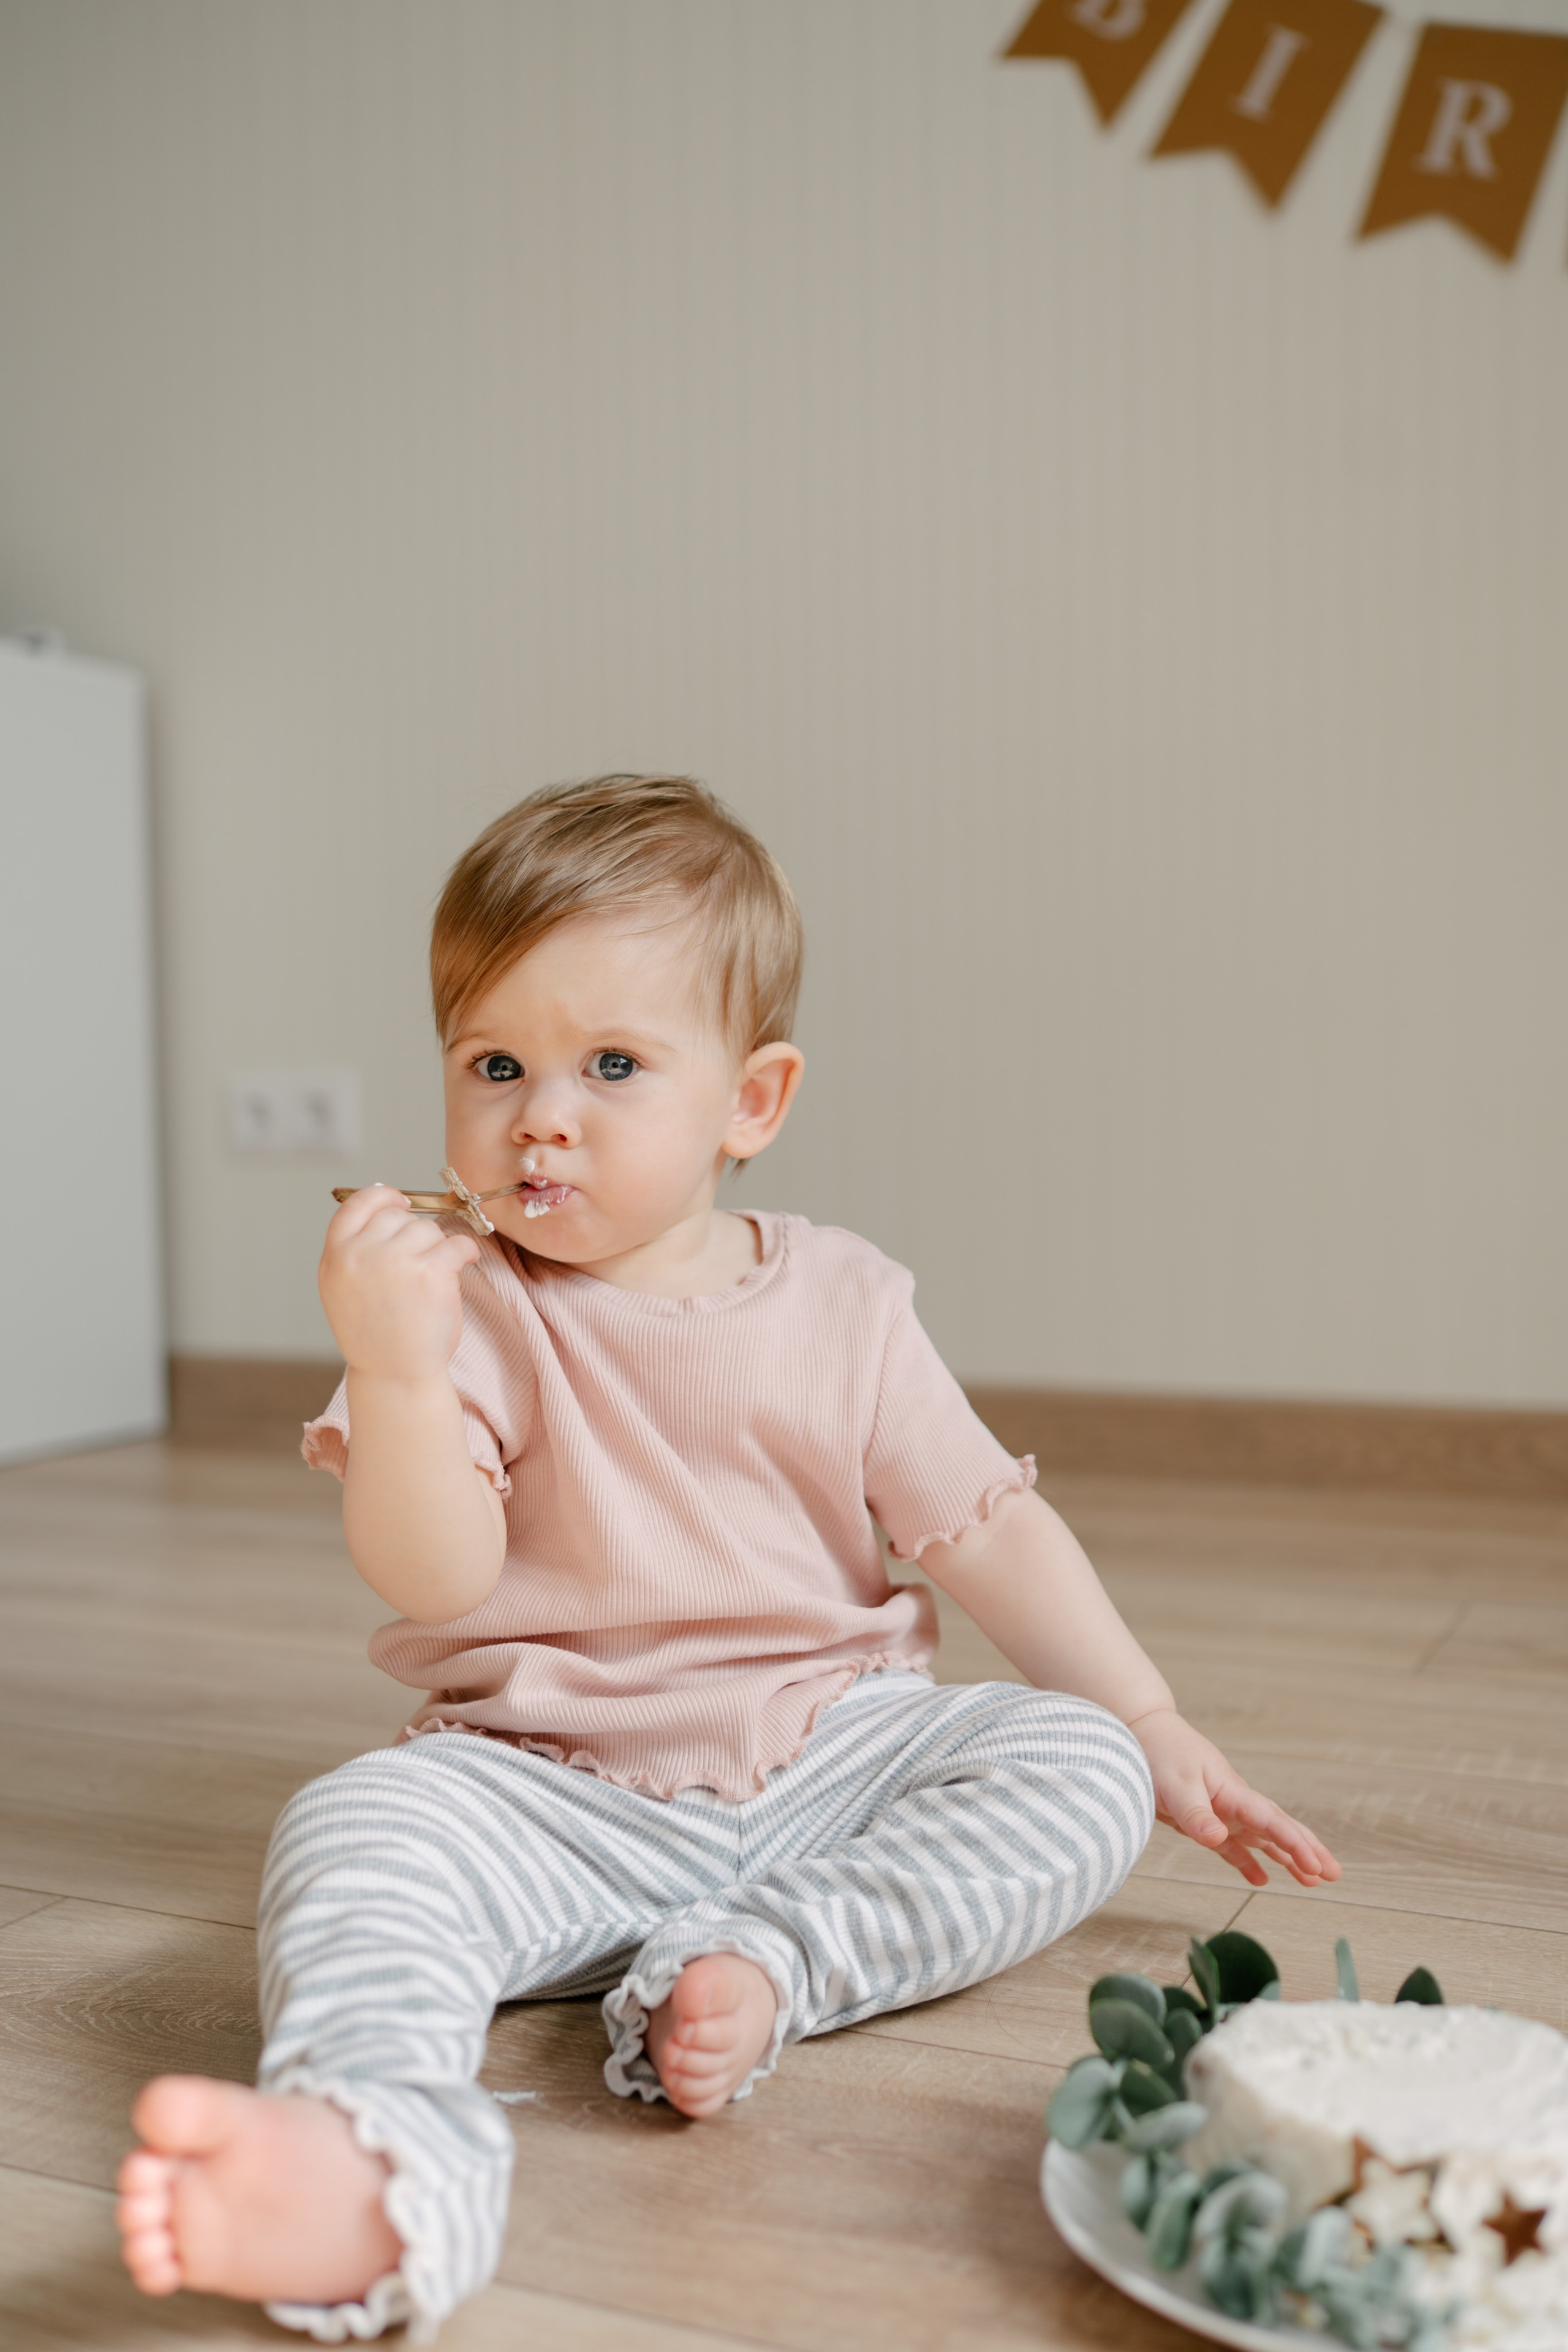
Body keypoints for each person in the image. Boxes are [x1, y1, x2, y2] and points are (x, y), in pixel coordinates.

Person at [116, 774, 1340, 2341]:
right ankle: (377, 2159)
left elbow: (985, 1529)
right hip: (545, 1782)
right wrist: (402, 1373)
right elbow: (432, 1577)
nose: (539, 1114)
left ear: (749, 1102)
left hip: (837, 1751)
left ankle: (768, 1958)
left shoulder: (844, 1303)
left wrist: (1154, 1725)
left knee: (1080, 1766)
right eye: (494, 1064)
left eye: (611, 1064)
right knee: (355, 1831)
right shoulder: (462, 1310)